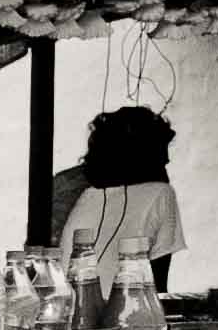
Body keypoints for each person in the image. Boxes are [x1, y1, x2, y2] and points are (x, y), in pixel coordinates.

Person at [48, 103, 183, 288]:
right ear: (144, 159)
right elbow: (158, 286)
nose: (165, 173)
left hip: (71, 301)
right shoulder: (161, 194)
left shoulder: (73, 189)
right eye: (161, 163)